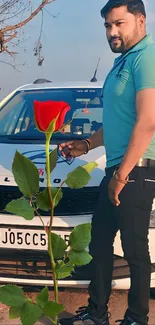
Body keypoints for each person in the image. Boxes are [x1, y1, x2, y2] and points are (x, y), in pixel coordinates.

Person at [59, 1, 155, 324]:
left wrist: (122, 175)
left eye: (119, 24)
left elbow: (148, 121)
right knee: (99, 243)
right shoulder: (121, 63)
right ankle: (97, 313)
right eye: (107, 26)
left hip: (136, 172)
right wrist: (86, 143)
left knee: (135, 250)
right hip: (117, 169)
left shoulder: (147, 57)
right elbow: (116, 122)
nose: (112, 32)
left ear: (140, 21)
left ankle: (136, 318)